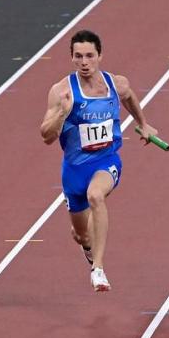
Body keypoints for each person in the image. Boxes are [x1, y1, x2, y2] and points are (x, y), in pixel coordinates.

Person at [39, 29, 159, 291]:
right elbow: (46, 137)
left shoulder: (115, 83)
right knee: (81, 234)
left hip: (106, 161)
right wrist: (61, 113)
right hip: (74, 170)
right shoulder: (61, 92)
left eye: (89, 56)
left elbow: (129, 98)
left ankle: (99, 270)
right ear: (72, 58)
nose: (84, 62)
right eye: (78, 56)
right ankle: (87, 247)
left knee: (96, 196)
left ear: (100, 56)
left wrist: (144, 124)